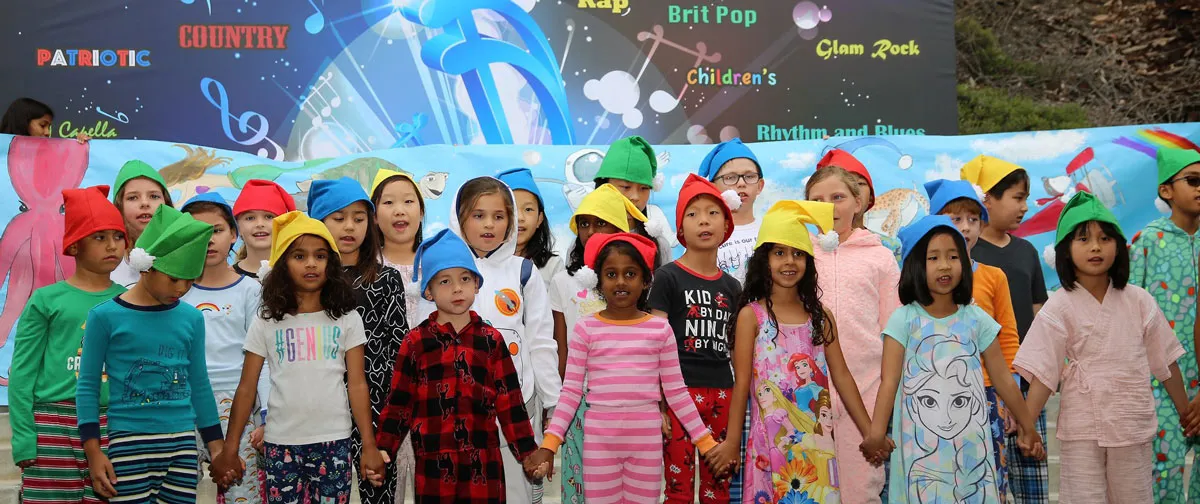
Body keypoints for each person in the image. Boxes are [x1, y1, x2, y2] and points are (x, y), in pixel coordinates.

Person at [1015, 192, 1192, 502]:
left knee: (1134, 496)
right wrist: (1027, 425)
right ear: (1066, 251)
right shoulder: (1059, 306)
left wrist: (1186, 413)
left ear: (1119, 248)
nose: (1095, 246)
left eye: (1105, 238)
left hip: (1131, 421)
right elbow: (1044, 373)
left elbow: (1166, 363)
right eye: (1083, 239)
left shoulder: (1139, 300)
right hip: (1082, 425)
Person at [861, 215, 1045, 503]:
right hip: (918, 444)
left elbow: (1002, 379)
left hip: (971, 443)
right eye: (933, 257)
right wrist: (875, 433)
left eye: (953, 256)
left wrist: (1027, 426)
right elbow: (889, 382)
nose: (945, 265)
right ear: (914, 266)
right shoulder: (904, 320)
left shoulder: (976, 319)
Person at [526, 232, 718, 502]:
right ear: (598, 281)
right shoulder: (586, 329)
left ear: (645, 281)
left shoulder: (660, 330)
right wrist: (549, 444)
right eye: (611, 274)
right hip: (599, 443)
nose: (620, 282)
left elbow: (676, 392)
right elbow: (570, 393)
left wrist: (706, 443)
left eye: (630, 274)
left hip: (646, 443)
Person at [208, 211, 386, 502]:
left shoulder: (347, 318)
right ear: (282, 265)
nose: (311, 264)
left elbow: (357, 385)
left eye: (320, 256)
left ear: (331, 263)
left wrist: (368, 445)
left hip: (335, 442)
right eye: (299, 256)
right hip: (281, 444)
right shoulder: (266, 321)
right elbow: (246, 387)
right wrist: (229, 449)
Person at [716, 200, 879, 503]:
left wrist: (870, 432)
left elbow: (841, 376)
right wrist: (731, 442)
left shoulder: (820, 316)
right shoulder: (752, 316)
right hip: (770, 448)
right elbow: (741, 386)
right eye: (779, 253)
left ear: (808, 262)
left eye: (798, 254)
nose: (789, 262)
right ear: (764, 260)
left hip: (817, 448)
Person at [413, 176, 560, 503]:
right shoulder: (441, 268)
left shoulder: (523, 271)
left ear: (511, 220)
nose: (489, 225)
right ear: (459, 216)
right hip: (455, 418)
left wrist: (553, 402)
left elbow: (540, 342)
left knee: (519, 494)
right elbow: (423, 343)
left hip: (519, 410)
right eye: (478, 215)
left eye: (499, 215)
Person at [375, 229, 538, 503]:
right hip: (433, 467)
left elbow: (511, 404)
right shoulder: (416, 342)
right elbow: (399, 402)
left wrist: (528, 452)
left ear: (477, 283)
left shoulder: (490, 340)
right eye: (445, 281)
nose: (457, 288)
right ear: (428, 290)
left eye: (465, 279)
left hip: (484, 467)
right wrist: (383, 448)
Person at [75, 204, 223, 503]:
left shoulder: (191, 318)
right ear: (146, 266)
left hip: (182, 444)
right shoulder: (104, 317)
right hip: (129, 442)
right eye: (173, 278)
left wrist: (217, 447)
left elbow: (200, 385)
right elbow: (88, 385)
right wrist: (93, 451)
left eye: (190, 280)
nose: (181, 288)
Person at [10, 185, 126, 503]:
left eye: (118, 236)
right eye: (99, 237)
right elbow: (22, 372)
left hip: (110, 424)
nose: (112, 246)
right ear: (74, 246)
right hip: (51, 424)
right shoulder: (46, 300)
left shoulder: (129, 300)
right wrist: (23, 436)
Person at [308, 177, 410, 504]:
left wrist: (397, 411)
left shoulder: (386, 278)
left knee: (379, 494)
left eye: (359, 217)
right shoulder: (309, 281)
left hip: (379, 406)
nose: (349, 226)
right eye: (338, 218)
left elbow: (398, 347)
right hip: (322, 405)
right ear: (318, 223)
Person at [545, 183, 647, 501]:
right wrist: (558, 405)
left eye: (601, 222)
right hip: (578, 401)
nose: (591, 230)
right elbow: (560, 346)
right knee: (579, 485)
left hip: (627, 404)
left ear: (620, 227)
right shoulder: (563, 281)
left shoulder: (635, 281)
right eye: (585, 223)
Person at [806, 162, 901, 503]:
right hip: (807, 391)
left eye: (838, 197)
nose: (829, 206)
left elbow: (892, 332)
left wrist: (881, 414)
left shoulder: (880, 258)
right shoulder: (799, 256)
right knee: (809, 484)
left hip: (865, 389)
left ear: (858, 203)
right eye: (818, 199)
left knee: (861, 488)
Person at [961, 155, 1050, 503]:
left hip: (1026, 381)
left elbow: (1038, 313)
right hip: (981, 383)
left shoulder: (1026, 251)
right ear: (988, 200)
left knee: (1032, 481)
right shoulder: (961, 254)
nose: (1024, 207)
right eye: (1017, 197)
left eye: (1026, 198)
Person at [926, 178, 1022, 499]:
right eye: (955, 219)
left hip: (986, 395)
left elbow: (1008, 340)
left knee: (987, 479)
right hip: (935, 400)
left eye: (973, 219)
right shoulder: (918, 280)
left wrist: (1011, 399)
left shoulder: (994, 277)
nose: (965, 227)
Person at [649, 173, 743, 504]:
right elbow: (655, 346)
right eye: (693, 214)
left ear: (726, 224)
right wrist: (658, 404)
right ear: (680, 229)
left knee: (718, 483)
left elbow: (736, 351)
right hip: (677, 397)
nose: (703, 220)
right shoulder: (666, 277)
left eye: (712, 212)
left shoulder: (733, 287)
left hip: (722, 393)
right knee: (678, 487)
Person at [180, 193, 268, 503]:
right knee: (178, 493)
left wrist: (265, 417)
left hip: (238, 407)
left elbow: (264, 359)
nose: (207, 240)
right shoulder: (174, 292)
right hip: (184, 406)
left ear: (233, 233)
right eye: (196, 232)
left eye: (216, 230)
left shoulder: (251, 289)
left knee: (243, 495)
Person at [1130, 146, 1200, 502]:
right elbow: (1129, 315)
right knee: (1164, 474)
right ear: (1166, 190)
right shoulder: (1148, 242)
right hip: (1161, 385)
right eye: (1193, 180)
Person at [368, 167, 423, 498]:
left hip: (432, 401)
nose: (400, 210)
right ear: (374, 215)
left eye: (408, 201)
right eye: (388, 202)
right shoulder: (365, 269)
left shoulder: (439, 263)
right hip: (381, 400)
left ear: (420, 210)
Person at [593, 135, 675, 264]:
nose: (635, 197)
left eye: (644, 188)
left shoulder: (659, 245)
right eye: (626, 187)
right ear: (603, 187)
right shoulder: (586, 239)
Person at [699, 138, 766, 284]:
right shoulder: (703, 235)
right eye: (730, 178)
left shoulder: (772, 231)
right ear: (713, 188)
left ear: (760, 186)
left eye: (749, 176)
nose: (741, 183)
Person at [817, 148, 902, 261]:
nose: (854, 189)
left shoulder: (889, 247)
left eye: (860, 183)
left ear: (871, 197)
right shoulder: (807, 248)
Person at [109, 160, 174, 287]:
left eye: (154, 196)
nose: (145, 203)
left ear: (166, 203)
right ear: (119, 206)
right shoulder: (107, 257)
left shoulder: (183, 251)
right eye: (133, 197)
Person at [498, 167, 564, 289]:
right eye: (511, 209)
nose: (520, 218)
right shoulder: (483, 263)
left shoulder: (552, 265)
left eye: (528, 209)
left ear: (539, 218)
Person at [232, 179, 296, 279]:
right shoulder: (225, 279)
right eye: (250, 218)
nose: (259, 224)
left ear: (283, 224)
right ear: (238, 228)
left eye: (269, 217)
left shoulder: (297, 276)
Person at [0, 97, 89, 141]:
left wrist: (80, 148)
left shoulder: (51, 154)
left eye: (49, 127)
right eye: (42, 125)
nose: (48, 132)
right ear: (22, 123)